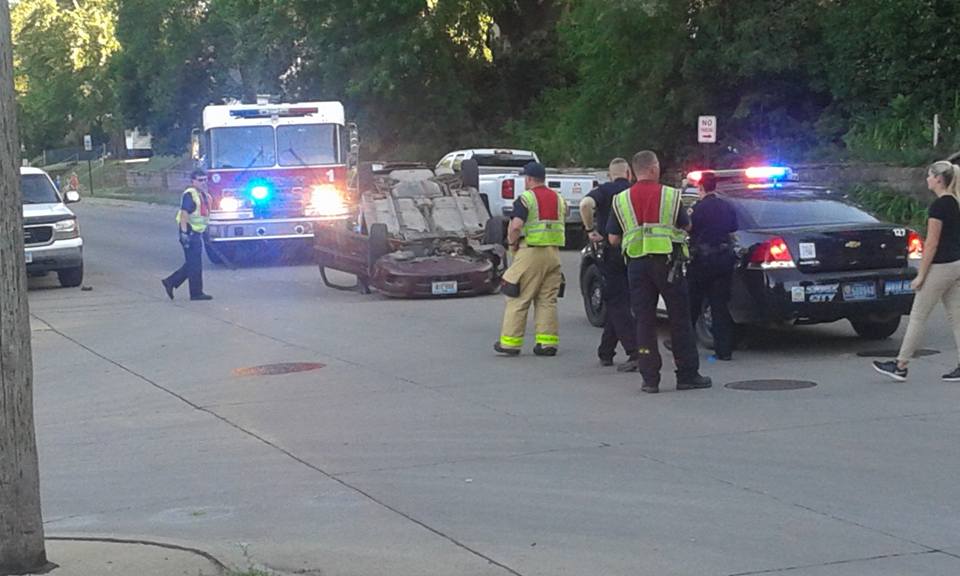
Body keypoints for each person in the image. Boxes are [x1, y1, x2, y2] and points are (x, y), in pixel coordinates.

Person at [607, 150, 711, 393]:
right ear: (654, 169)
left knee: (644, 320)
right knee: (679, 319)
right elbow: (687, 225)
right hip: (667, 263)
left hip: (636, 265)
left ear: (632, 172)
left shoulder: (620, 200)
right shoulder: (670, 196)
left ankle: (649, 379)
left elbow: (612, 238)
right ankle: (687, 375)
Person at [874, 160, 960, 381]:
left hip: (940, 266)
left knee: (918, 316)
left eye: (930, 176)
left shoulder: (939, 206)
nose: (927, 180)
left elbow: (931, 243)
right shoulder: (956, 203)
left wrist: (921, 274)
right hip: (956, 264)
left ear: (939, 179)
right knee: (957, 316)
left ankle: (901, 365)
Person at [495, 161, 566, 356]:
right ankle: (547, 343)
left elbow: (516, 226)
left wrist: (511, 244)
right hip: (553, 254)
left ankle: (510, 343)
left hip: (531, 251)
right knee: (547, 299)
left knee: (518, 297)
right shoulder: (559, 198)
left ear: (529, 179)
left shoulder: (525, 199)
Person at [580, 158, 639, 367]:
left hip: (610, 251)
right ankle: (606, 351)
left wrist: (590, 230)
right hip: (634, 251)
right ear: (629, 173)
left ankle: (634, 351)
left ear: (609, 174)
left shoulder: (604, 191)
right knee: (621, 299)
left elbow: (585, 204)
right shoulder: (634, 190)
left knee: (616, 302)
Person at [687, 171, 739, 361]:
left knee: (691, 304)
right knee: (720, 306)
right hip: (724, 259)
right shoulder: (727, 206)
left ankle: (684, 344)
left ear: (701, 188)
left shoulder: (697, 208)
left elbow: (688, 228)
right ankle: (724, 350)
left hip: (702, 261)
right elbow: (733, 228)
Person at [162, 169, 213, 301]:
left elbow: (204, 216)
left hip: (197, 232)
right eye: (200, 180)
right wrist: (184, 234)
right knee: (194, 264)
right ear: (193, 181)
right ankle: (196, 293)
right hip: (189, 232)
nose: (203, 182)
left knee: (193, 263)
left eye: (205, 180)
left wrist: (206, 232)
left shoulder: (205, 196)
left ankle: (170, 281)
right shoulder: (190, 195)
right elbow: (184, 215)